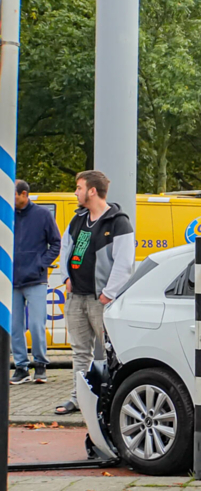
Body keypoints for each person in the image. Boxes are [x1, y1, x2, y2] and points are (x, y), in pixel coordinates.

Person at [54, 171, 135, 415]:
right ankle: (78, 398)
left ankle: (115, 400)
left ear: (92, 191)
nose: (75, 192)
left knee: (112, 352)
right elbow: (65, 247)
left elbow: (124, 262)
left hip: (101, 300)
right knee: (80, 352)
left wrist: (108, 294)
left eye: (79, 188)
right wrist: (66, 277)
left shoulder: (118, 221)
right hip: (76, 296)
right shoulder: (78, 219)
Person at [10, 180, 61, 385]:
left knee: (36, 325)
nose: (10, 199)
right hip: (12, 280)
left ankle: (40, 365)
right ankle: (21, 367)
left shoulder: (42, 215)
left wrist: (42, 263)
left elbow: (56, 243)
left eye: (13, 195)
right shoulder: (7, 215)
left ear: (24, 194)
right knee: (14, 327)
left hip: (36, 280)